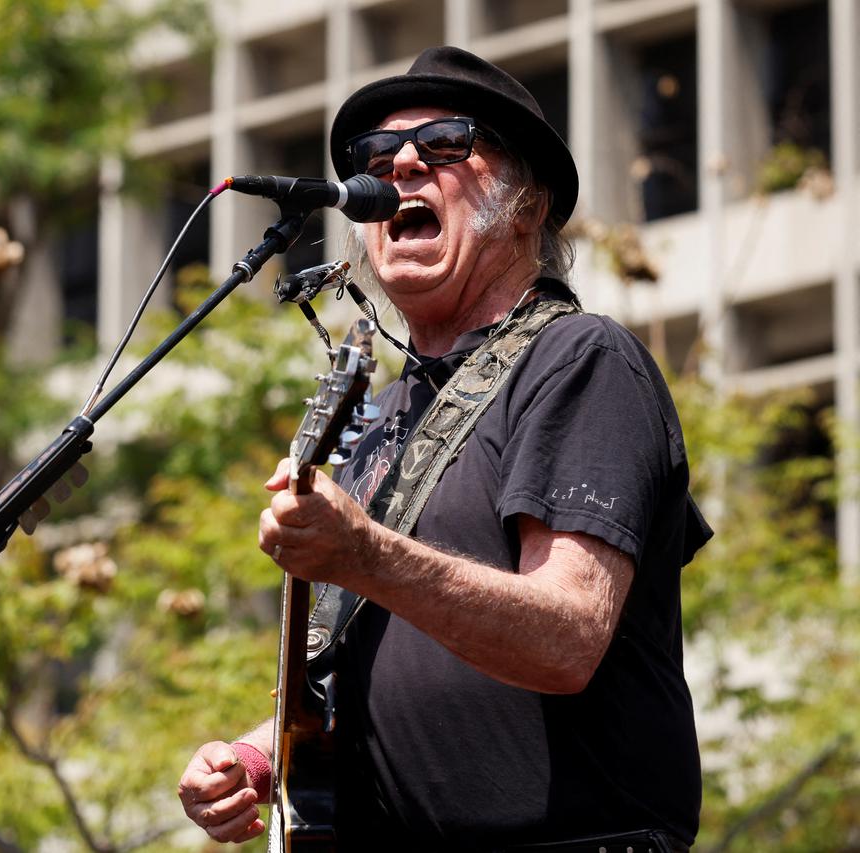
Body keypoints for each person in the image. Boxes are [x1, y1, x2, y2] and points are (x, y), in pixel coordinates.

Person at [176, 46, 712, 851]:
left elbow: (566, 635)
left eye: (446, 143)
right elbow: (366, 680)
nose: (398, 164)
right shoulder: (381, 419)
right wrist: (256, 756)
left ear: (527, 205)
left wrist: (365, 554)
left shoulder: (580, 360)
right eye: (375, 156)